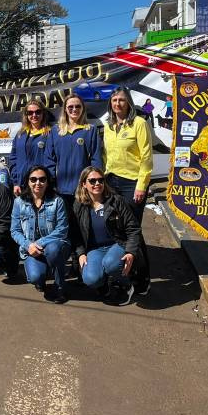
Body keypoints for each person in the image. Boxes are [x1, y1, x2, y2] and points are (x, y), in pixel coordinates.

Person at [103, 86, 152, 295]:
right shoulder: (108, 126)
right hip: (111, 182)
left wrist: (141, 185)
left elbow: (146, 157)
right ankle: (123, 273)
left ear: (129, 102)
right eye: (114, 100)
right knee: (116, 229)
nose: (118, 104)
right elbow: (106, 156)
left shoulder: (139, 123)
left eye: (121, 100)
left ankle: (143, 277)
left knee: (132, 230)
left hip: (132, 183)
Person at [68, 166, 141, 306]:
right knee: (90, 278)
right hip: (94, 249)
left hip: (118, 244)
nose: (97, 184)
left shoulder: (116, 201)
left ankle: (126, 285)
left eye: (100, 180)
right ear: (84, 184)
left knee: (111, 264)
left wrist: (131, 252)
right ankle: (105, 285)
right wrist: (81, 254)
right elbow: (75, 234)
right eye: (92, 181)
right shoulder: (79, 205)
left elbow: (133, 228)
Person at [10, 165, 70, 303]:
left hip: (54, 245)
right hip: (30, 249)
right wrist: (28, 245)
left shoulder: (57, 201)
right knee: (35, 277)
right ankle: (42, 277)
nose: (38, 183)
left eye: (42, 179)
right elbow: (15, 230)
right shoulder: (19, 202)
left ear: (48, 182)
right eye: (33, 179)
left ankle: (60, 286)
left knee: (53, 250)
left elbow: (62, 229)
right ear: (27, 181)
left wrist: (38, 243)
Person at [46, 94, 102, 213]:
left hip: (84, 188)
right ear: (65, 109)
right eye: (70, 107)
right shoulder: (56, 131)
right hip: (61, 189)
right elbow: (49, 159)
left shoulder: (90, 130)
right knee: (65, 222)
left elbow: (96, 158)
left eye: (78, 106)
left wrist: (94, 182)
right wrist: (51, 183)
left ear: (82, 109)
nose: (74, 109)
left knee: (83, 223)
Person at [9, 98, 52, 197]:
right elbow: (13, 159)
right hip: (22, 185)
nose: (34, 115)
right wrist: (16, 182)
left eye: (38, 112)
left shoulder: (50, 134)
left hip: (41, 184)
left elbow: (53, 161)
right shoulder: (20, 134)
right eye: (30, 113)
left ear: (43, 113)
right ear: (26, 115)